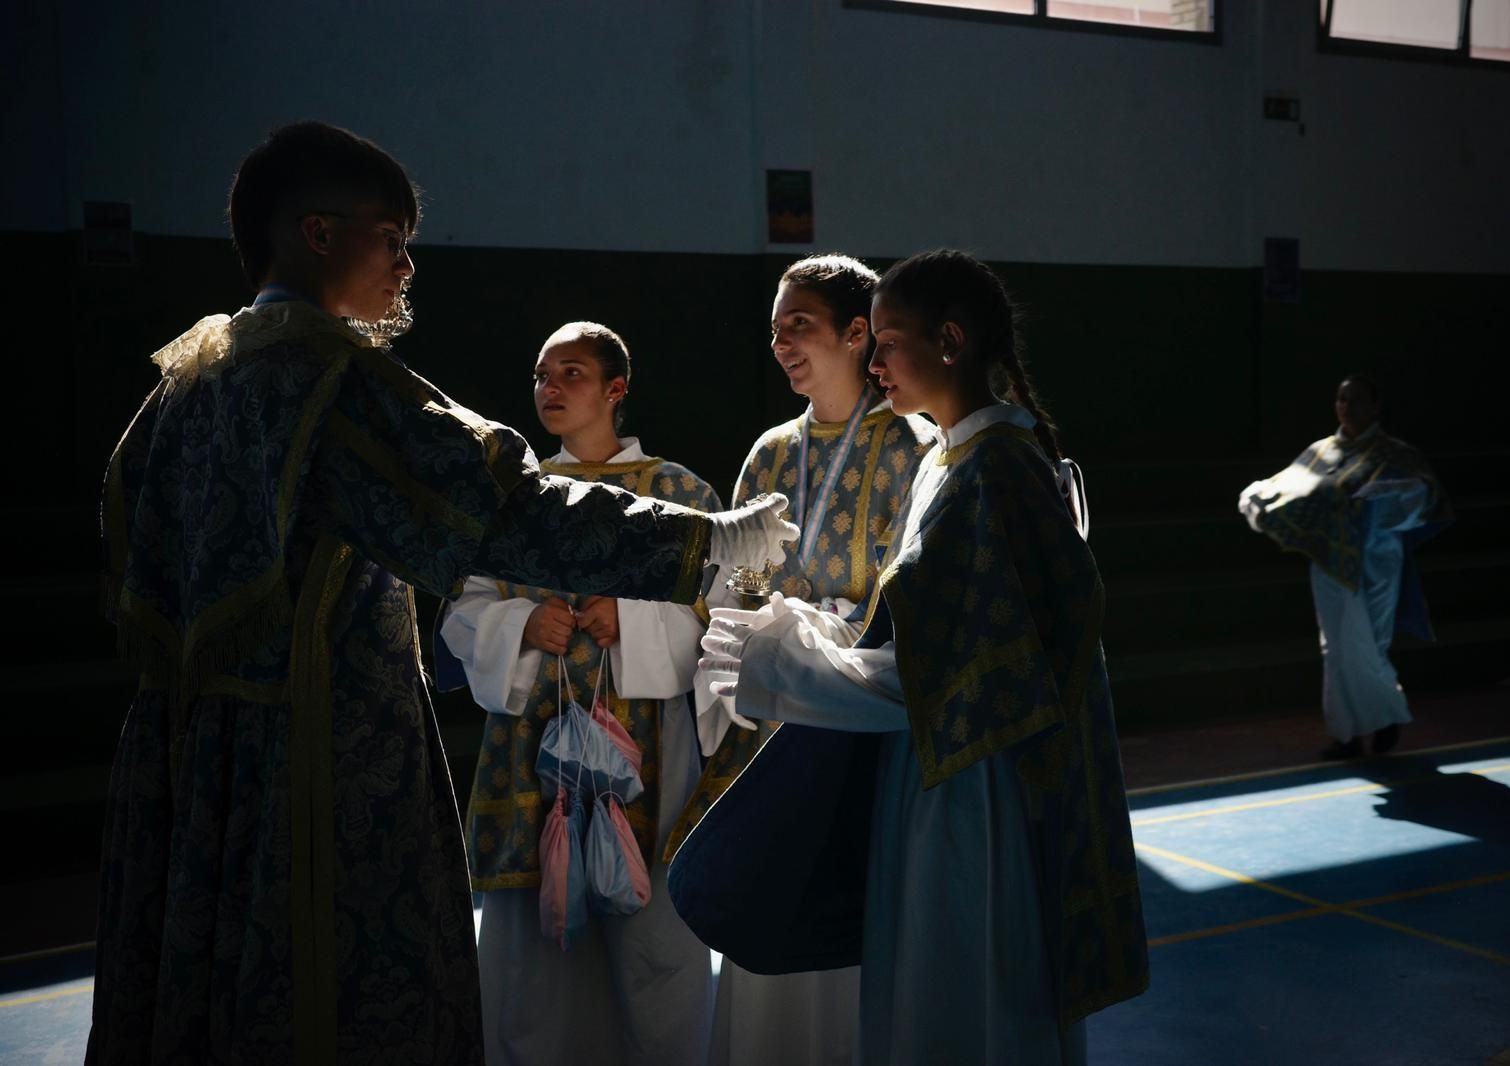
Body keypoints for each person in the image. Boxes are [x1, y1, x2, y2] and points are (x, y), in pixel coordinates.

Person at [89, 121, 793, 1066]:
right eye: (394, 238)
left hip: (192, 770)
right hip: (317, 761)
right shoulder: (324, 379)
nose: (408, 267)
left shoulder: (178, 390)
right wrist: (710, 540)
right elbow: (498, 503)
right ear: (319, 233)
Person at [675, 250, 1149, 1065]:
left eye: (889, 341)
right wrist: (807, 642)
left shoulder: (996, 474)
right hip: (933, 780)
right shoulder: (953, 461)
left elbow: (948, 688)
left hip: (978, 797)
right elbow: (924, 646)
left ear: (952, 341)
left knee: (966, 1010)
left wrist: (784, 658)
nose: (877, 360)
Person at [658, 254, 936, 1066]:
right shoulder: (769, 453)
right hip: (773, 725)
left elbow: (911, 606)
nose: (780, 342)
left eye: (799, 325)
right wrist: (740, 633)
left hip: (859, 733)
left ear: (859, 334)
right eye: (774, 328)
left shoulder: (914, 446)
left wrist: (826, 631)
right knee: (767, 935)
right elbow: (734, 587)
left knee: (850, 929)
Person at [437, 321, 718, 1066]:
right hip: (532, 754)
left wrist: (632, 619)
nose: (549, 390)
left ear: (616, 390)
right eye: (540, 376)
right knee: (533, 960)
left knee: (652, 951)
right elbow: (460, 612)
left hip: (648, 752)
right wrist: (521, 624)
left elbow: (718, 621)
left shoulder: (681, 494)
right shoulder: (509, 500)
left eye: (571, 375)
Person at [1239, 375, 1451, 759]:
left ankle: (1385, 720)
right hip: (1329, 563)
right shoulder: (1320, 453)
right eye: (1341, 399)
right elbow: (1284, 486)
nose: (1346, 407)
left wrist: (1383, 498)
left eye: (1354, 400)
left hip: (1377, 563)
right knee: (1336, 648)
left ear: (1375, 407)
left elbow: (1422, 498)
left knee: (1370, 644)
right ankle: (1347, 735)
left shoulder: (1394, 453)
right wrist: (1259, 499)